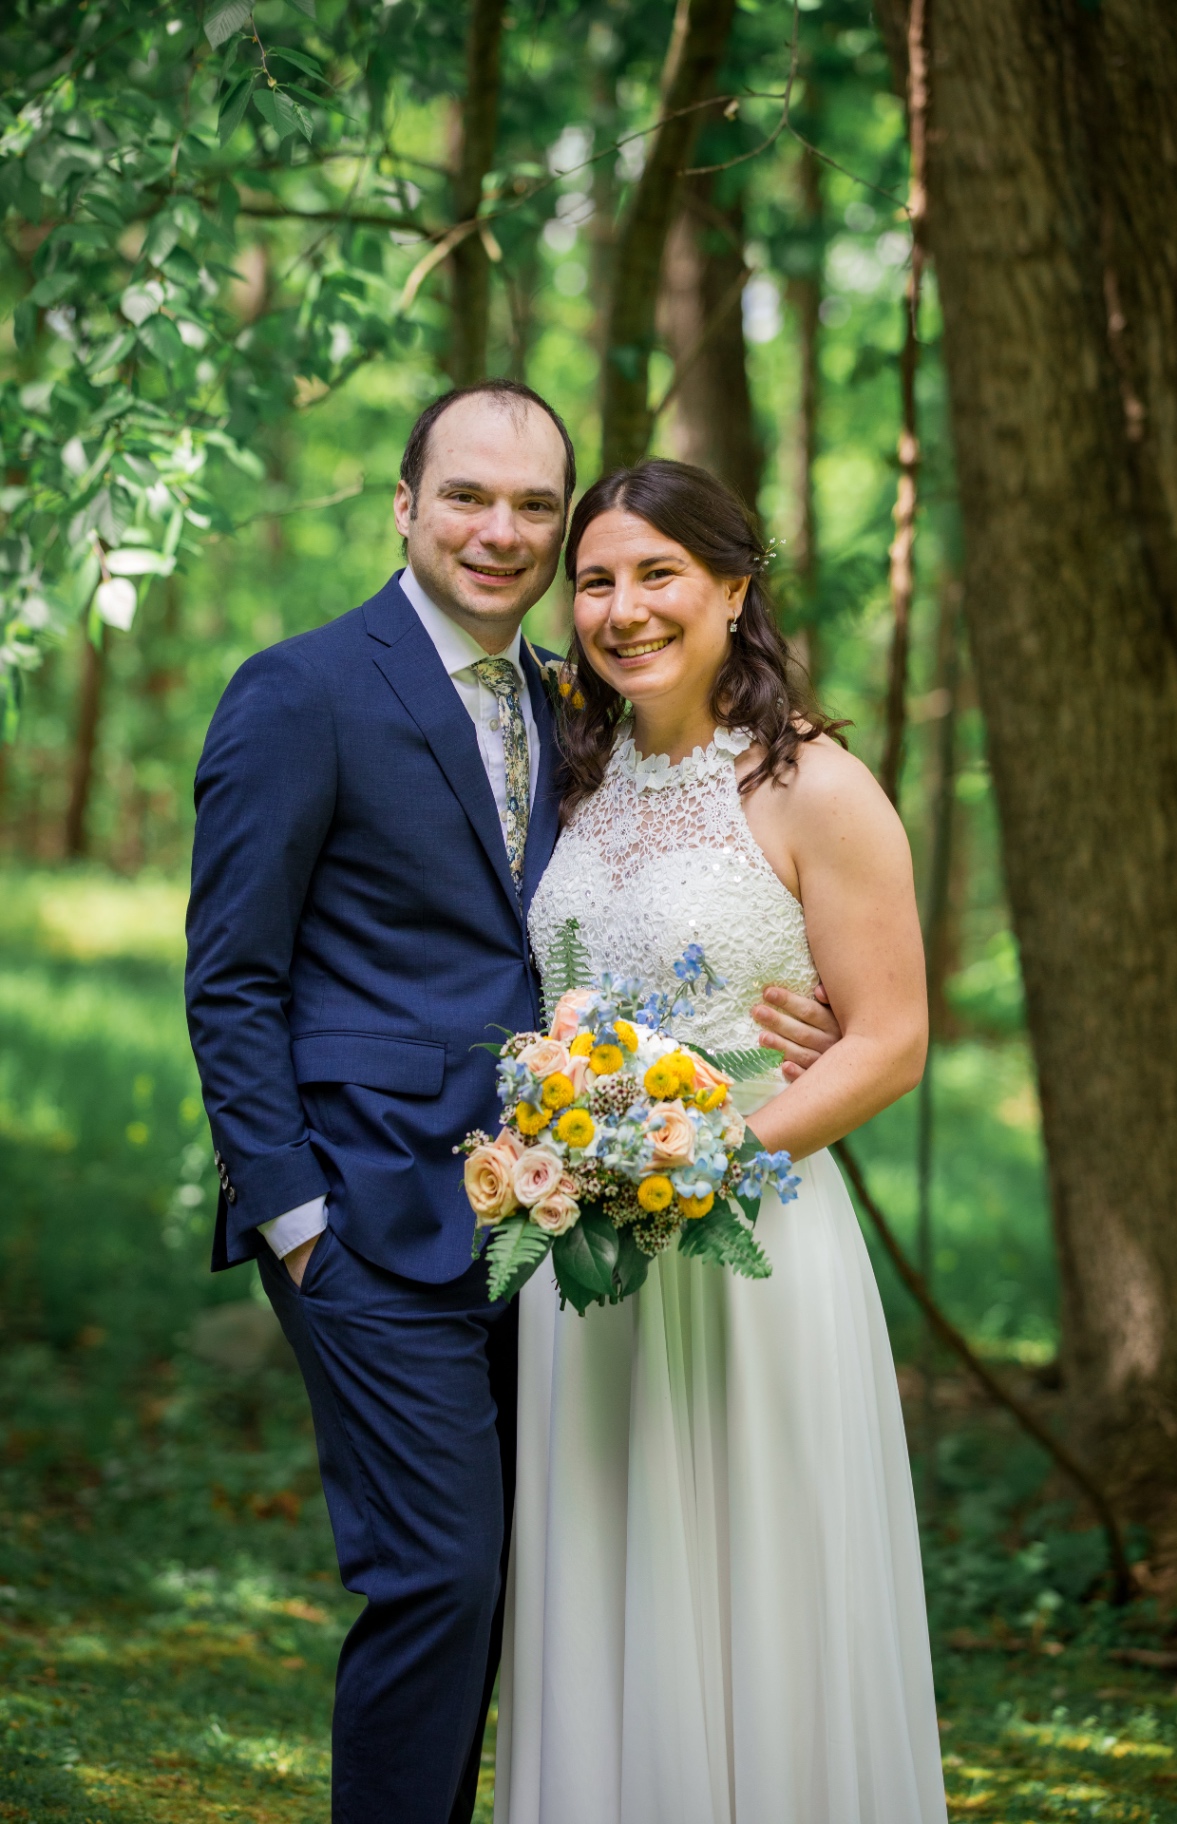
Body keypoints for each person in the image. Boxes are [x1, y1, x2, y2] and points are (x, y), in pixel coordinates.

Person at [184, 387, 840, 1824]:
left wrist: (799, 1002)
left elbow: (661, 914)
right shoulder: (300, 691)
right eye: (467, 496)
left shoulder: (574, 707)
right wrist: (296, 1217)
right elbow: (232, 978)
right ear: (405, 507)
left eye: (535, 507)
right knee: (439, 1575)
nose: (502, 530)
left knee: (539, 1583)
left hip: (547, 1234)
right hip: (362, 1216)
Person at [496, 458, 949, 1824]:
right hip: (587, 1273)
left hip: (755, 1243)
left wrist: (712, 1162)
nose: (622, 608)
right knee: (603, 1570)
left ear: (735, 589)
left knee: (761, 1580)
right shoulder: (572, 772)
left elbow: (889, 1037)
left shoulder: (813, 783)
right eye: (595, 582)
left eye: (657, 575)